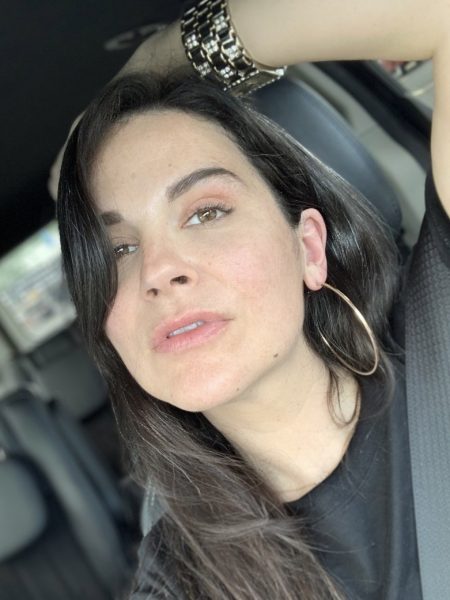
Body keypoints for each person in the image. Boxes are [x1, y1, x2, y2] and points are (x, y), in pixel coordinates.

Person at [56, 1, 450, 598]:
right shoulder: (182, 581)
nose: (157, 271)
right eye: (119, 251)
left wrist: (156, 61)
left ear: (308, 249)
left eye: (206, 212)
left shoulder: (440, 315)